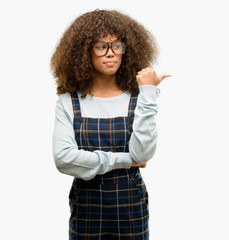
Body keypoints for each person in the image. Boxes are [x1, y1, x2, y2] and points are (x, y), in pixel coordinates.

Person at [51, 9, 170, 239]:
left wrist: (147, 92)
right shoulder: (68, 102)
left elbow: (143, 153)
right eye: (101, 46)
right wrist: (124, 160)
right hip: (86, 209)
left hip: (131, 210)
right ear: (84, 52)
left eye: (117, 45)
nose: (111, 53)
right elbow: (64, 159)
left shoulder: (138, 99)